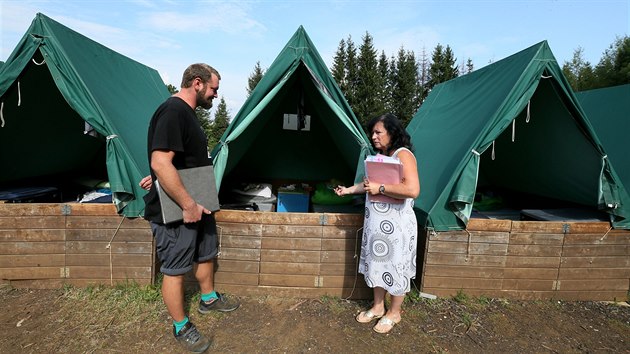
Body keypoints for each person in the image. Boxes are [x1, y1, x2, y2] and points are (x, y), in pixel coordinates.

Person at [143, 63, 239, 353]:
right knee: (175, 268)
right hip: (177, 208)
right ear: (197, 83)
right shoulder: (173, 111)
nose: (216, 96)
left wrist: (162, 175)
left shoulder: (188, 115)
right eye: (214, 89)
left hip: (199, 199)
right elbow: (161, 161)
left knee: (206, 252)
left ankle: (208, 298)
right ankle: (180, 326)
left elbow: (170, 161)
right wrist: (187, 204)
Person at [334, 113, 420, 334]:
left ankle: (395, 312)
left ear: (392, 132)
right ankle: (378, 306)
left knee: (397, 267)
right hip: (378, 227)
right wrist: (349, 190)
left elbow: (413, 190)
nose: (373, 136)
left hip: (398, 227)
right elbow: (368, 185)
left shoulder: (404, 155)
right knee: (378, 264)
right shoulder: (380, 156)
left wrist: (381, 188)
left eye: (378, 132)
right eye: (372, 132)